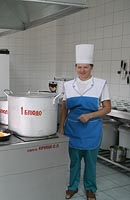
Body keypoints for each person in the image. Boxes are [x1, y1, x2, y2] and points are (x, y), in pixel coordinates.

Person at [58, 44, 111, 200]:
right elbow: (64, 107)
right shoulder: (68, 85)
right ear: (75, 67)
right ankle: (72, 187)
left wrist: (90, 115)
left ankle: (90, 189)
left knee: (90, 162)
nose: (82, 70)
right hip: (73, 129)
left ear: (91, 67)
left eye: (85, 67)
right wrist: (61, 126)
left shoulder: (101, 84)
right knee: (74, 162)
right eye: (79, 67)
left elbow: (107, 108)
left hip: (91, 130)